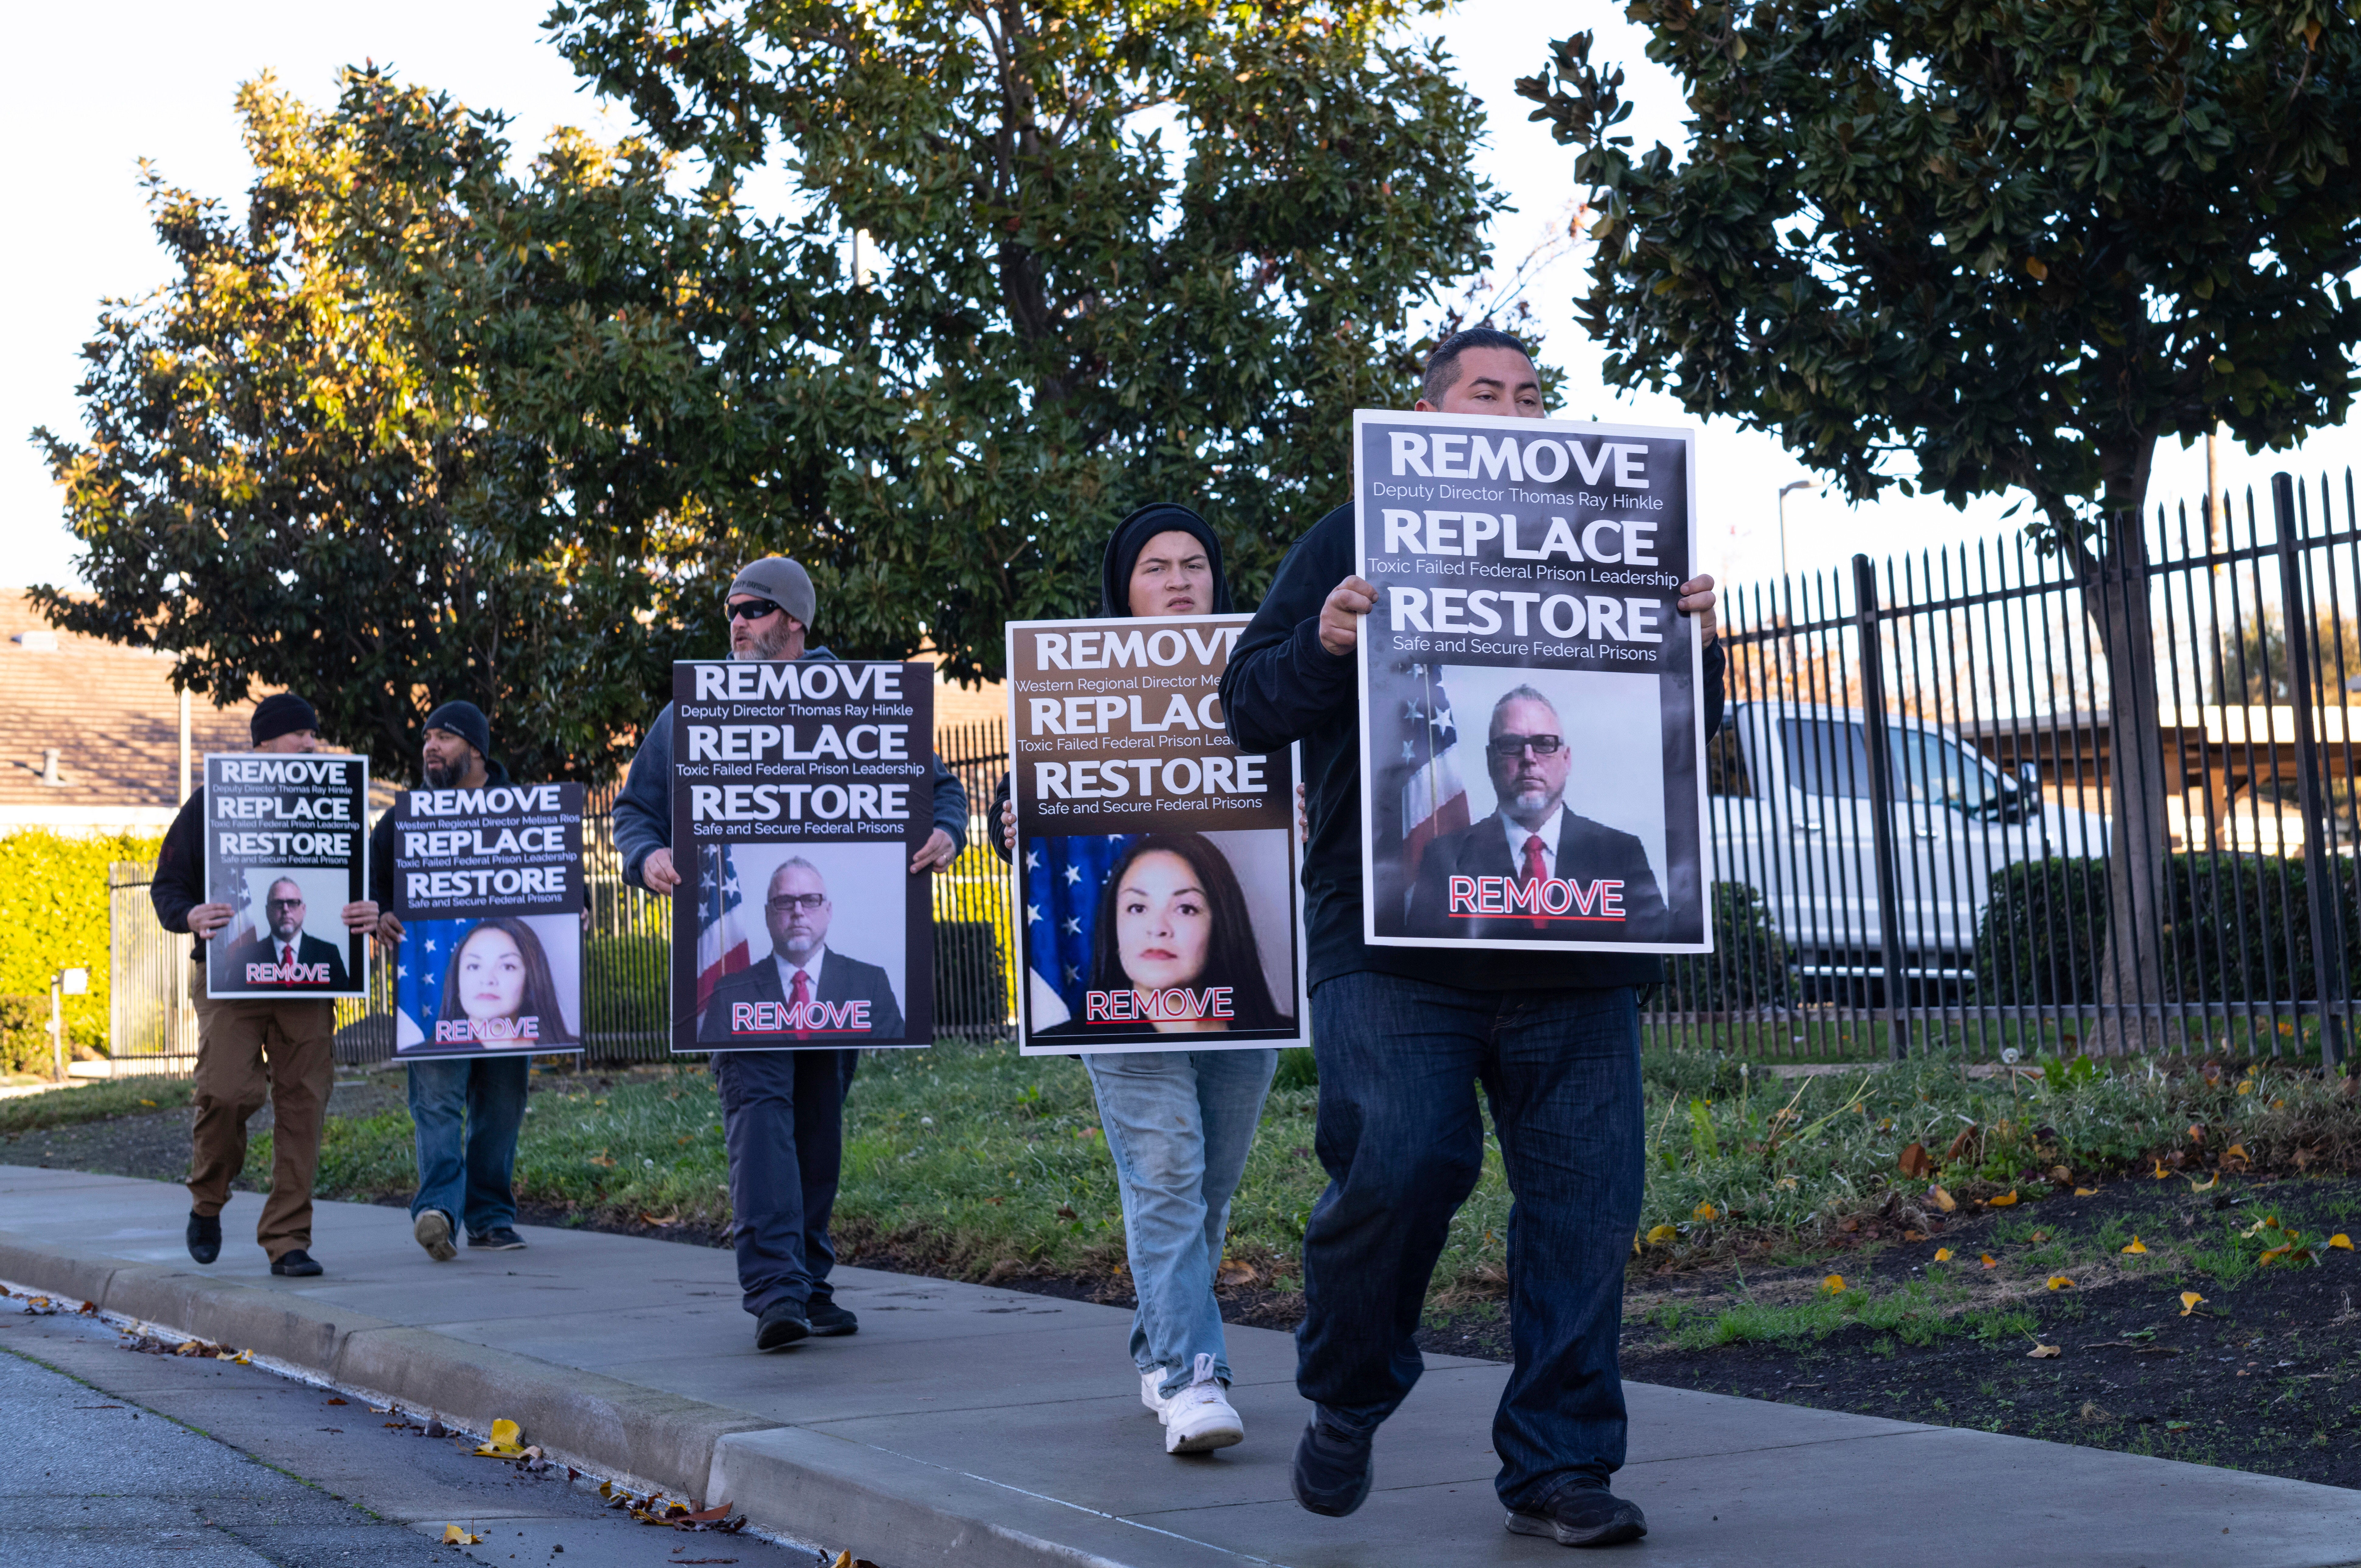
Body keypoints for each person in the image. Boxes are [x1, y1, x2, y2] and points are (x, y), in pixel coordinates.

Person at [1219, 326, 1725, 1546]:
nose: (1510, 409)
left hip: (1575, 951)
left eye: (1529, 396)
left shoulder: (1616, 545)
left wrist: (1699, 652)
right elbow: (1246, 706)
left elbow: (1687, 755)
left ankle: (1558, 1468)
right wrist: (1323, 642)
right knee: (1399, 1160)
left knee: (1585, 1205)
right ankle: (1346, 1395)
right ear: (1430, 410)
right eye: (1484, 391)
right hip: (1392, 938)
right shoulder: (1352, 534)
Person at [612, 555, 968, 1351]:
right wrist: (647, 859)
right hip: (737, 959)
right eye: (731, 610)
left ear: (796, 622)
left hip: (836, 962)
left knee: (817, 1120)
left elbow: (942, 791)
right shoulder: (693, 711)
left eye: (754, 608)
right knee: (760, 1110)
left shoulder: (862, 701)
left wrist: (947, 833)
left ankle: (808, 1276)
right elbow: (636, 810)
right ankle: (775, 1289)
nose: (736, 622)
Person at [995, 505, 1281, 1455]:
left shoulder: (1269, 675)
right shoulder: (1076, 683)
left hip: (1240, 984)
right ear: (1125, 586)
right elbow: (1030, 789)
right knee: (1164, 1164)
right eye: (1157, 566)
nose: (1179, 580)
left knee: (1209, 1182)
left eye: (1196, 563)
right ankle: (1195, 1375)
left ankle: (1156, 1343)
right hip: (1121, 989)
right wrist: (1011, 816)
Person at [152, 693, 380, 1278]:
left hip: (310, 981)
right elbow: (167, 886)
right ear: (263, 743)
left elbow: (365, 880)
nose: (312, 743)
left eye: (315, 734)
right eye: (299, 734)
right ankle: (208, 1199)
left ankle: (288, 1240)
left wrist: (366, 911)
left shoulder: (337, 803)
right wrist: (190, 915)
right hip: (232, 975)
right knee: (226, 1091)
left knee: (304, 1105)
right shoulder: (211, 802)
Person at [368, 700, 542, 1262]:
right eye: (426, 738)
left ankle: (491, 1216)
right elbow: (373, 880)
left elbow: (559, 881)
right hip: (435, 988)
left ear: (476, 747)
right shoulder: (404, 817)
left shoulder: (523, 809)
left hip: (507, 995)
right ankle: (438, 1210)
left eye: (443, 737)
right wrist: (380, 910)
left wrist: (580, 909)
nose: (430, 747)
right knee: (437, 1101)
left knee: (502, 1103)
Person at [1408, 685, 1668, 940]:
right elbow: (1428, 959)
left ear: (1567, 759)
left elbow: (1652, 951)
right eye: (1511, 743)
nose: (1529, 757)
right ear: (1490, 760)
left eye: (1544, 743)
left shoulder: (1622, 853)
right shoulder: (1444, 857)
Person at [1034, 833, 1292, 1039]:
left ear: (1221, 923)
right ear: (1113, 928)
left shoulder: (1278, 1032)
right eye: (1137, 908)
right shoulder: (1066, 1040)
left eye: (1186, 909)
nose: (1158, 928)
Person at [699, 858, 905, 1043]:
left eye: (810, 900)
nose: (798, 912)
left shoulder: (871, 984)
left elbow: (891, 1064)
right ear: (767, 915)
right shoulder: (729, 994)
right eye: (785, 902)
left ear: (829, 911)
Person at [220, 877, 353, 991]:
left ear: (304, 909)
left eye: (293, 903)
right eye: (278, 904)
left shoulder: (329, 954)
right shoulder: (245, 957)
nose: (286, 910)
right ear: (267, 911)